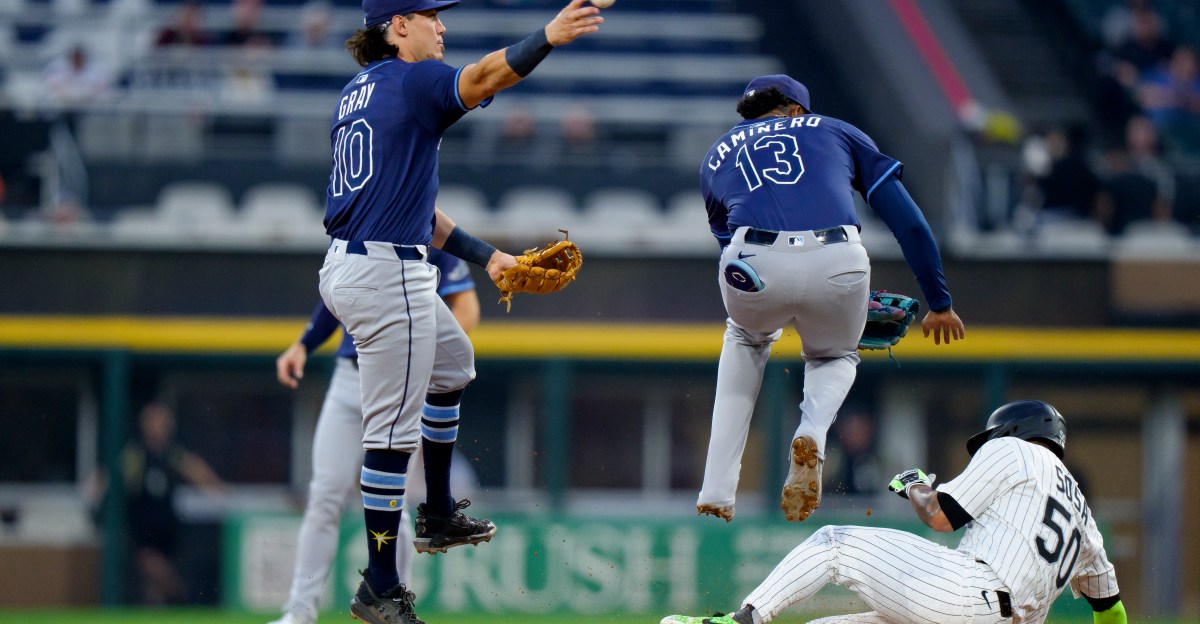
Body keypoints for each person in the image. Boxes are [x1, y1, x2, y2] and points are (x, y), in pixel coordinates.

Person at [315, 2, 603, 622]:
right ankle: (381, 586)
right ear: (397, 28)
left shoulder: (359, 91)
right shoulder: (415, 79)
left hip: (353, 261)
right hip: (385, 272)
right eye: (428, 16)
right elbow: (486, 76)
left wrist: (489, 257)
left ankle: (439, 511)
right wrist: (548, 36)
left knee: (454, 365)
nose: (441, 26)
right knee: (390, 438)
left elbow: (416, 208)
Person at [694, 75, 965, 524]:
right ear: (798, 110)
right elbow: (910, 223)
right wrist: (939, 301)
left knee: (745, 339)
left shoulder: (718, 152)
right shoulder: (835, 129)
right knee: (836, 355)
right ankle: (813, 435)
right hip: (837, 259)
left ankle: (717, 490)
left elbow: (725, 240)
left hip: (751, 264)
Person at [664, 400, 1127, 624]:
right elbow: (1111, 610)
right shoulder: (1082, 514)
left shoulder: (1013, 450)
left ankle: (741, 622)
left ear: (1013, 431)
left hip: (969, 597)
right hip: (998, 617)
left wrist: (916, 485)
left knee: (834, 544)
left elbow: (941, 516)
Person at [269, 248, 480, 624]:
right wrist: (304, 343)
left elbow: (467, 307)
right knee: (324, 495)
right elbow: (333, 300)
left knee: (392, 502)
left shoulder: (426, 232)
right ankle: (298, 613)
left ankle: (393, 609)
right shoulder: (371, 221)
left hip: (398, 373)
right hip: (348, 376)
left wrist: (432, 350)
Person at [88, 402, 226, 605]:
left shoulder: (172, 454)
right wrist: (94, 492)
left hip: (167, 526)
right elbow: (109, 473)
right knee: (153, 566)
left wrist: (216, 488)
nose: (160, 426)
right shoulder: (136, 454)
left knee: (153, 588)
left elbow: (195, 468)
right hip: (143, 527)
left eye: (163, 422)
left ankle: (155, 612)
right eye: (155, 421)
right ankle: (183, 596)